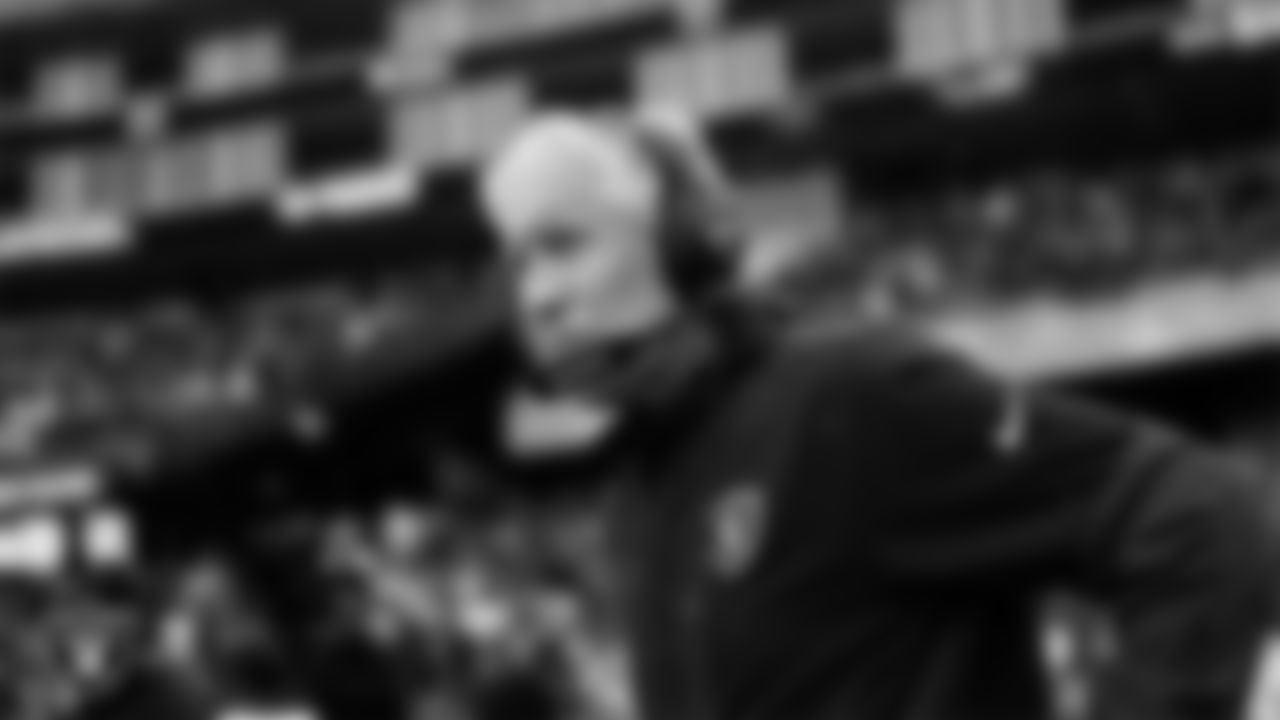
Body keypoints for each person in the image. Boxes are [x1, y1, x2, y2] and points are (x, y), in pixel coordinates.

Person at [477, 108, 1275, 720]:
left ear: (680, 243)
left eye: (565, 246)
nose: (539, 299)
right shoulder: (637, 495)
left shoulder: (848, 397)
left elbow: (1198, 514)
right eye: (519, 263)